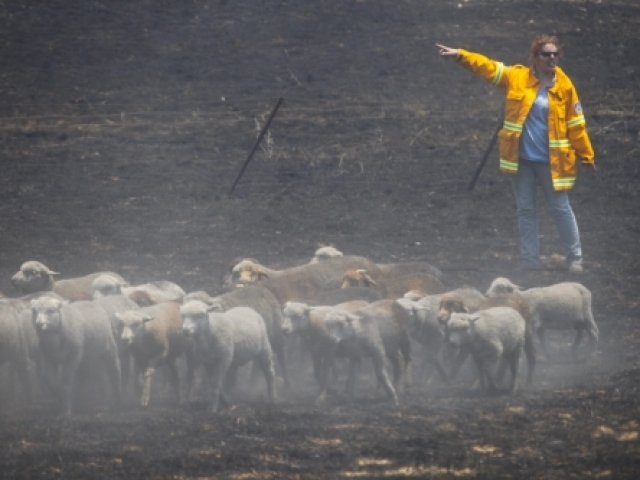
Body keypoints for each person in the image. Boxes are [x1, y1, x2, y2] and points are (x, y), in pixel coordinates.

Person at [436, 37, 595, 273]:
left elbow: (576, 123)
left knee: (561, 208)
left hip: (553, 162)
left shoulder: (565, 86)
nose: (552, 58)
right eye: (546, 54)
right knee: (526, 210)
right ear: (535, 57)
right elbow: (488, 67)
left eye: (555, 54)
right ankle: (529, 262)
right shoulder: (517, 77)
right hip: (521, 160)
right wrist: (461, 55)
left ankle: (575, 259)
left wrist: (586, 153)